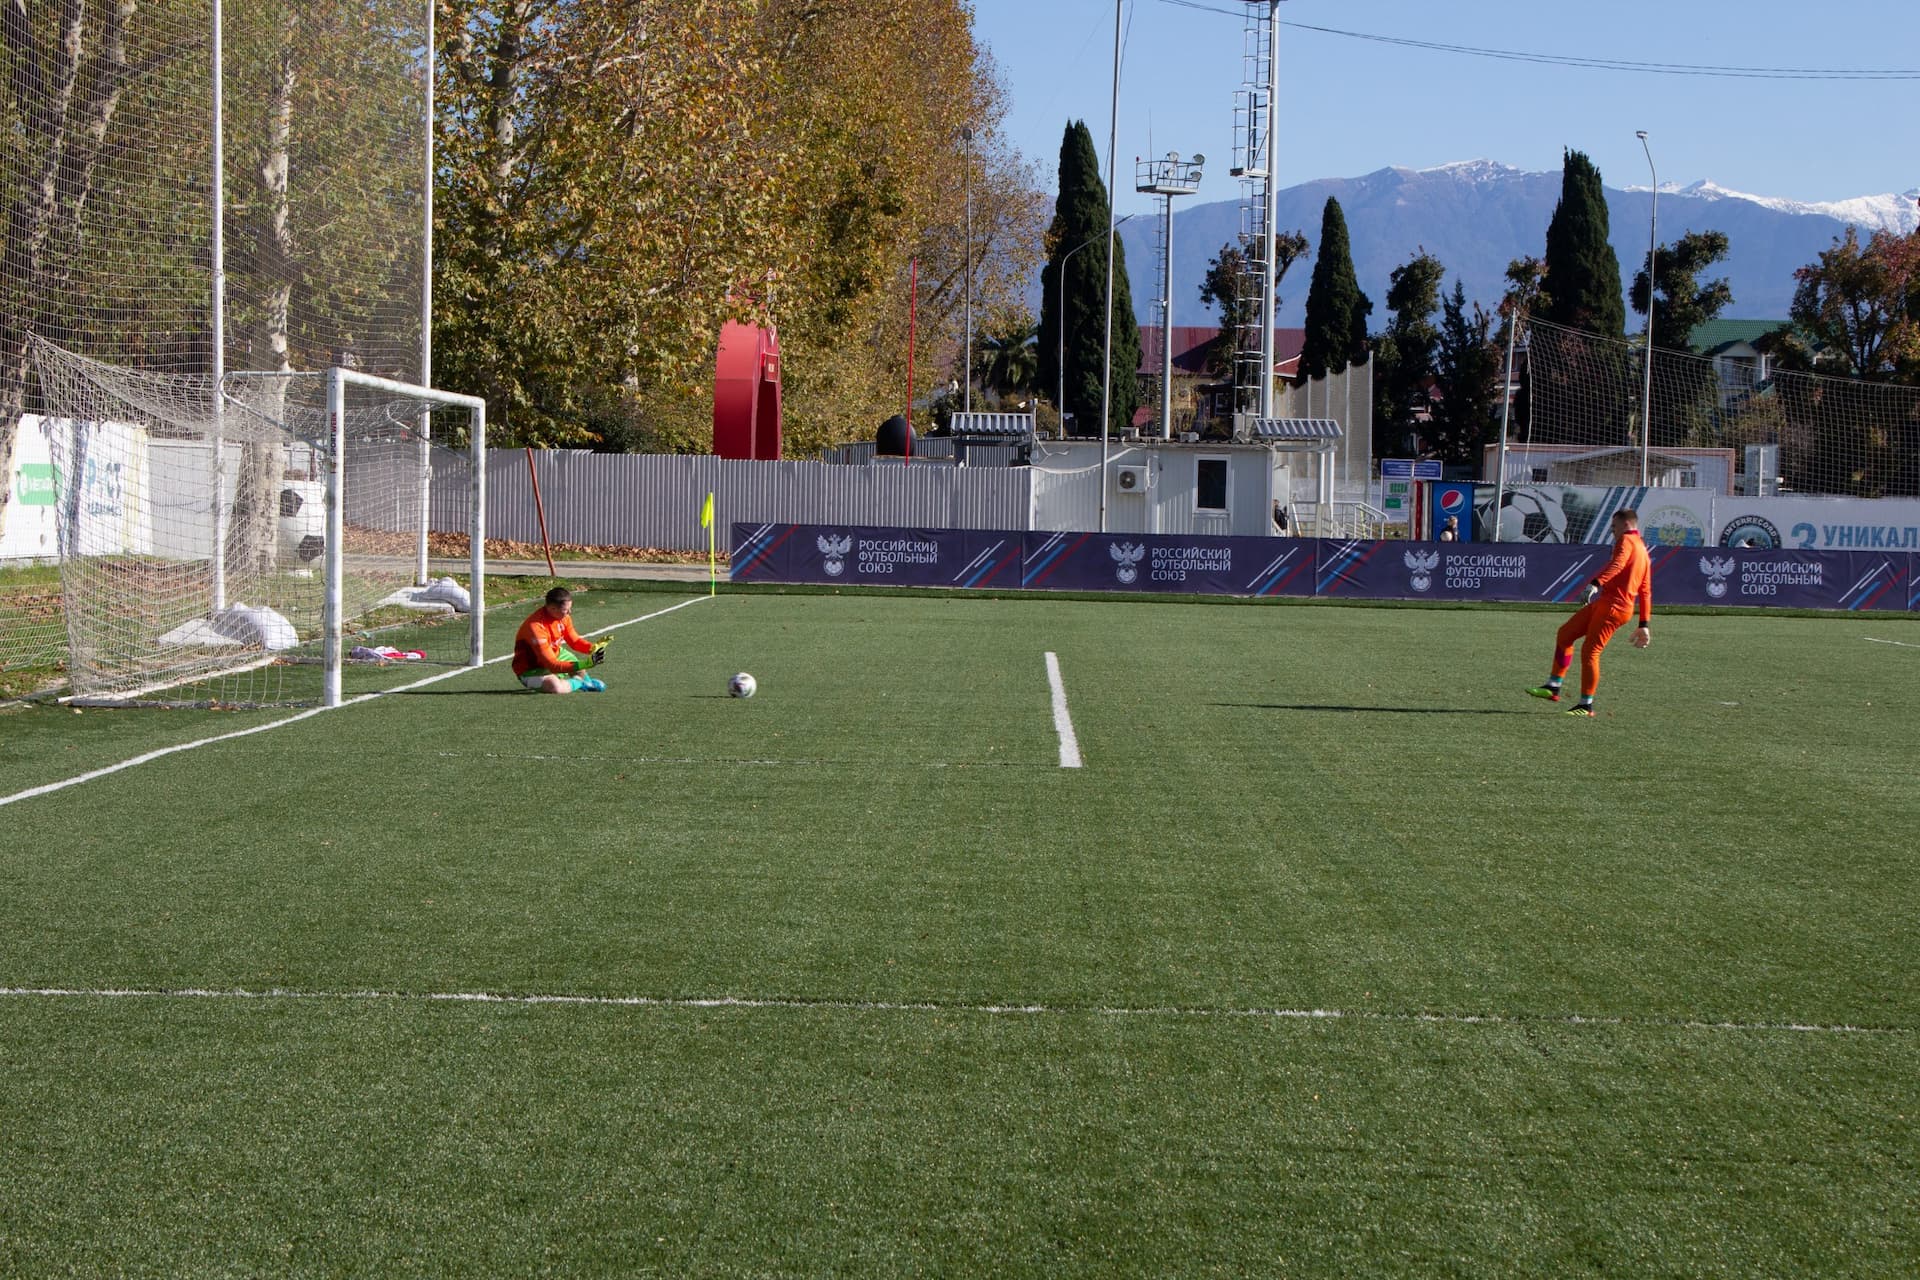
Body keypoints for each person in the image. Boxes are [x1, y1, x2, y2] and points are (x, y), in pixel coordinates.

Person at [1527, 508, 1652, 717]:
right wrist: (1644, 624)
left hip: (1614, 607)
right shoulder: (1642, 549)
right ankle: (1553, 686)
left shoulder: (1626, 541)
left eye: (1614, 526)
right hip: (1608, 604)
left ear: (1626, 525)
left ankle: (1586, 706)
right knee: (1565, 634)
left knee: (1590, 652)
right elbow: (1645, 589)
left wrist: (1595, 583)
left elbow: (1618, 564)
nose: (1612, 531)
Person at [512, 587, 610, 694]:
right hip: (531, 669)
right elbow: (552, 665)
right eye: (566, 610)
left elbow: (574, 641)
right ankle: (580, 682)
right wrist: (585, 664)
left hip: (555, 654)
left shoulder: (564, 617)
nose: (569, 612)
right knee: (555, 687)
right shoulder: (535, 628)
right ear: (553, 608)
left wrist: (592, 648)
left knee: (575, 664)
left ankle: (582, 682)